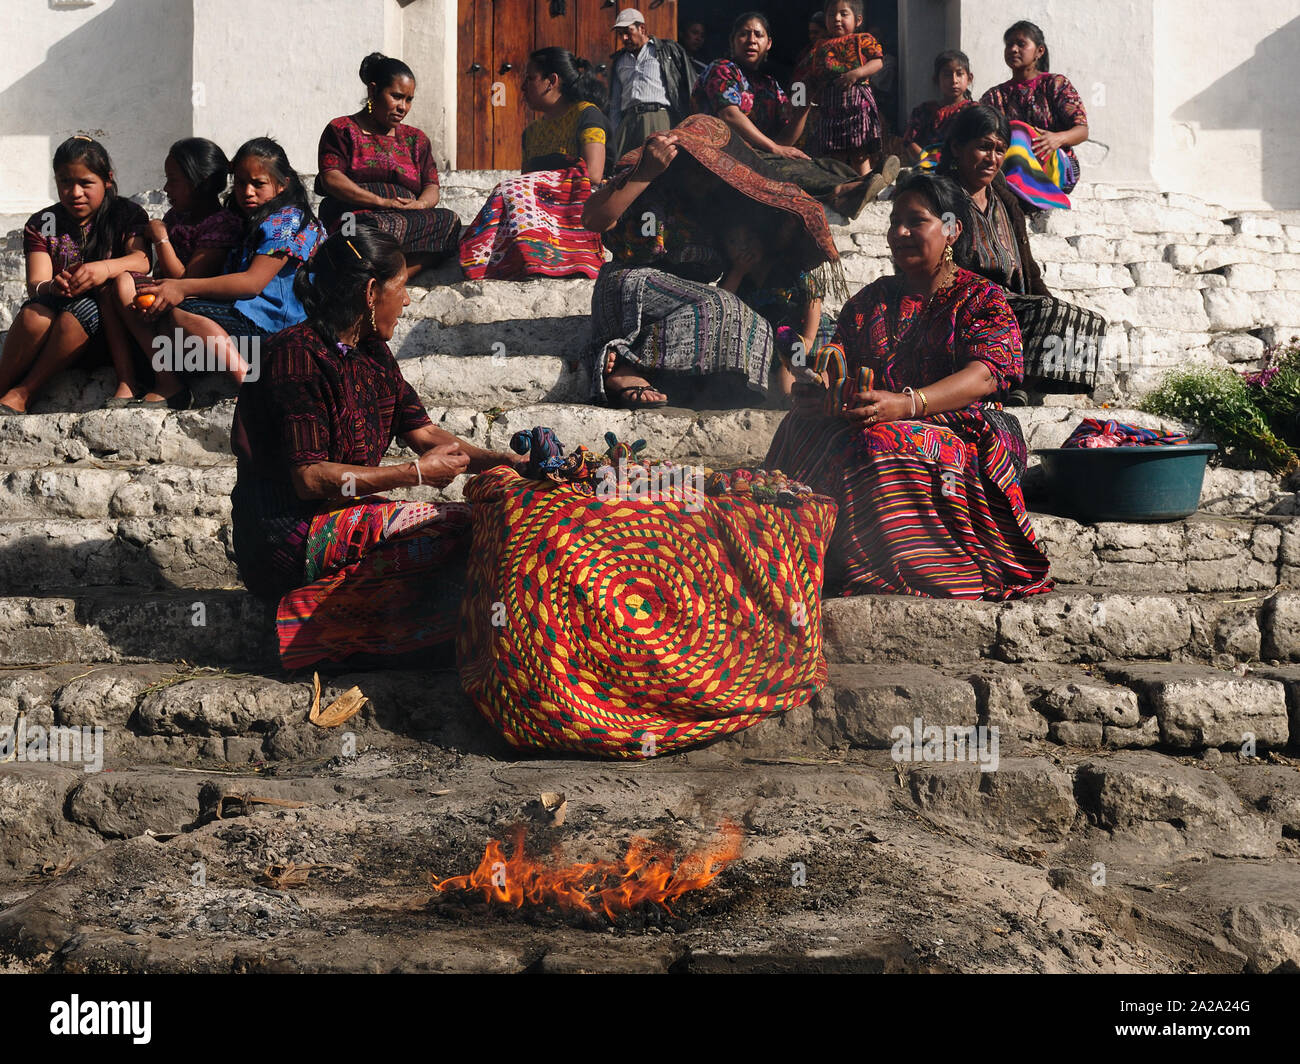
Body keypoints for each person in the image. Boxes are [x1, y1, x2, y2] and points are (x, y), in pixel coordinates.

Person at [230, 229, 523, 670]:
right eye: (401, 287)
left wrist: (509, 463)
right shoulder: (295, 354)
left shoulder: (374, 355)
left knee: (489, 524)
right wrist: (415, 474)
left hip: (341, 516)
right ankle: (314, 627)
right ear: (371, 292)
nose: (406, 301)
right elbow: (309, 479)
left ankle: (390, 633)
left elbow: (426, 435)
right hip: (286, 534)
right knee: (456, 525)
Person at [765, 173, 1050, 599]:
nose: (899, 233)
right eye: (894, 221)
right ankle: (804, 554)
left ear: (952, 228)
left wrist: (908, 404)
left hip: (965, 428)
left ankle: (916, 566)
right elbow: (838, 361)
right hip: (878, 418)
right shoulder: (870, 301)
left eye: (915, 221)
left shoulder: (981, 298)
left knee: (882, 442)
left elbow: (988, 373)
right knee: (800, 427)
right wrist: (820, 390)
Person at [581, 115, 842, 410]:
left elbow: (781, 227)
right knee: (723, 305)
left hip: (683, 306)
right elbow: (593, 219)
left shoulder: (716, 216)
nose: (702, 176)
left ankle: (660, 375)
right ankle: (625, 365)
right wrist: (645, 173)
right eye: (696, 166)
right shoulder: (652, 186)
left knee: (756, 325)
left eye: (709, 170)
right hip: (630, 289)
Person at [133, 138, 324, 409]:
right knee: (163, 316)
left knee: (182, 311)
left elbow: (252, 283)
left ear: (283, 184)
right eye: (240, 183)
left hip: (280, 325)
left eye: (258, 184)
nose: (247, 191)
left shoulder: (288, 221)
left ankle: (249, 385)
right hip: (250, 319)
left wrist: (183, 288)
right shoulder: (249, 220)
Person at [941, 105, 1106, 395]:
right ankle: (1006, 382)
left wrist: (1054, 308)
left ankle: (1023, 381)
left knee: (1085, 323)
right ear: (957, 147)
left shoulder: (1006, 201)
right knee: (1045, 313)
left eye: (1000, 150)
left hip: (1014, 303)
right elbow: (936, 261)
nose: (992, 159)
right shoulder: (942, 199)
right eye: (983, 147)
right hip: (967, 305)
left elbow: (1027, 266)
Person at [0, 136, 149, 414]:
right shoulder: (44, 223)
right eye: (65, 182)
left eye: (85, 183)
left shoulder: (126, 214)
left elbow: (141, 260)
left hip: (107, 328)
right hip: (55, 316)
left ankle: (24, 393)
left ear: (107, 180)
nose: (75, 192)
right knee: (34, 314)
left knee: (78, 313)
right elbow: (36, 285)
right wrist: (53, 288)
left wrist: (102, 269)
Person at [102, 138, 242, 405]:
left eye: (173, 180)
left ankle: (167, 380)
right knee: (112, 289)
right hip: (167, 296)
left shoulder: (221, 224)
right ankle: (127, 379)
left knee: (124, 284)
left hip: (195, 304)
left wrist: (161, 240)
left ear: (199, 181)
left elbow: (184, 281)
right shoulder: (177, 217)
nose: (166, 188)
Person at [692, 12, 874, 215]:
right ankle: (842, 191)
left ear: (768, 43)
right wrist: (774, 148)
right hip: (721, 153)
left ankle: (858, 184)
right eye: (744, 34)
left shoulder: (770, 84)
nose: (751, 40)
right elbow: (730, 115)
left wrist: (805, 105)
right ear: (733, 41)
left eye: (758, 35)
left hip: (758, 155)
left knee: (818, 163)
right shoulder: (722, 69)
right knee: (782, 167)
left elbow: (786, 140)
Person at [460, 48, 611, 281]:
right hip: (540, 213)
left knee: (511, 189)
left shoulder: (587, 114)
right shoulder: (531, 133)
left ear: (552, 81)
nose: (522, 87)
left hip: (579, 206)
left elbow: (593, 173)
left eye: (530, 78)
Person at [315, 53, 462, 282]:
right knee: (357, 231)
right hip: (356, 215)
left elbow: (431, 186)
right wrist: (381, 202)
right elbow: (331, 178)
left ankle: (394, 278)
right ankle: (381, 273)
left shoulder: (417, 140)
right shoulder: (342, 129)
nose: (403, 107)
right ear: (373, 91)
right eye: (396, 97)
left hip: (406, 218)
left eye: (409, 99)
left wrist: (420, 204)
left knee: (450, 223)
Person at [980, 20, 1089, 207]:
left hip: (1056, 166)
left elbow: (1082, 130)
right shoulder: (994, 96)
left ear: (1039, 51)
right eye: (1009, 45)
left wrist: (1058, 138)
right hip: (1007, 165)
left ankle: (1030, 192)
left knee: (1015, 129)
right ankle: (1020, 188)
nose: (1013, 49)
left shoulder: (1056, 84)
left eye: (1021, 44)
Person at [791, 0, 895, 186]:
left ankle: (868, 185)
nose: (837, 19)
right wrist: (801, 93)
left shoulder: (863, 39)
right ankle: (842, 190)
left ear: (858, 20)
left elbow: (878, 62)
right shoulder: (820, 48)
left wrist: (856, 74)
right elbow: (805, 73)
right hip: (830, 108)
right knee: (835, 155)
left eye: (843, 14)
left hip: (856, 105)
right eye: (831, 15)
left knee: (859, 152)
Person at [607, 9, 695, 161]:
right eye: (620, 34)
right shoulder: (619, 62)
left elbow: (687, 87)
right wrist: (615, 133)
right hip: (628, 122)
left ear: (642, 28)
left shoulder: (666, 50)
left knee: (660, 168)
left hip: (658, 117)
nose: (624, 38)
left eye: (628, 31)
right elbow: (615, 104)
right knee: (624, 170)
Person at [903, 50, 975, 169]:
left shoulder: (973, 111)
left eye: (959, 74)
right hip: (927, 168)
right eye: (947, 74)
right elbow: (909, 141)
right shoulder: (923, 111)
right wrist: (928, 161)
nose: (954, 80)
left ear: (969, 78)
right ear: (936, 79)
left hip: (961, 169)